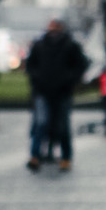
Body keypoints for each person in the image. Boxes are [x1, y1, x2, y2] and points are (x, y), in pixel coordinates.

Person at [26, 18, 87, 172]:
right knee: (41, 123)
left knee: (62, 125)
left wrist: (69, 80)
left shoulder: (70, 46)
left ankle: (65, 157)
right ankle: (35, 155)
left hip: (62, 91)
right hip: (43, 91)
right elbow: (30, 66)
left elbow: (80, 65)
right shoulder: (40, 45)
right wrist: (37, 79)